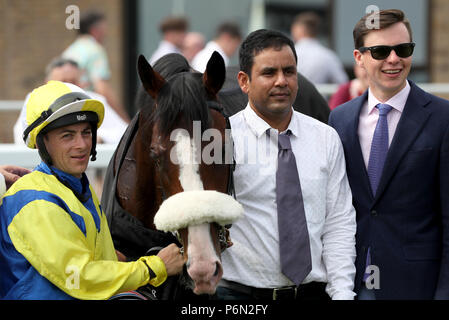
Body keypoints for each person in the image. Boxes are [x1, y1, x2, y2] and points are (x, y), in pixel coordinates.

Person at [0, 81, 185, 299]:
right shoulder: (36, 200)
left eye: (86, 133)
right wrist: (155, 267)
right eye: (67, 135)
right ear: (42, 144)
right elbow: (79, 276)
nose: (82, 145)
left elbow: (94, 259)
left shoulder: (73, 187)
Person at [216, 29, 356, 300]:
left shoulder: (325, 137)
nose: (282, 81)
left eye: (289, 72)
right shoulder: (221, 140)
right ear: (244, 81)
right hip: (239, 297)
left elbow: (338, 223)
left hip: (312, 293)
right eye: (269, 73)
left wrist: (342, 294)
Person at [328, 9, 449, 300]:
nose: (394, 59)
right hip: (351, 283)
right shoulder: (338, 120)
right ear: (359, 59)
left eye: (403, 49)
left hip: (417, 285)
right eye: (381, 51)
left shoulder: (442, 118)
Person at [14, 57, 127, 146]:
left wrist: (98, 138)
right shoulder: (34, 99)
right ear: (47, 82)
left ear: (82, 82)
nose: (68, 88)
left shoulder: (95, 100)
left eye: (73, 82)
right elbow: (22, 136)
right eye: (62, 82)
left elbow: (123, 132)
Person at [62, 11, 130, 123]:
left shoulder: (70, 49)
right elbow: (102, 89)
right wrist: (124, 119)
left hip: (67, 110)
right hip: (85, 111)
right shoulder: (95, 50)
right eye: (104, 29)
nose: (106, 33)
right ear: (95, 30)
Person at [291, 11, 348, 85]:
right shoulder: (328, 56)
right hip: (320, 96)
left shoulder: (290, 53)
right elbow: (343, 83)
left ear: (298, 29)